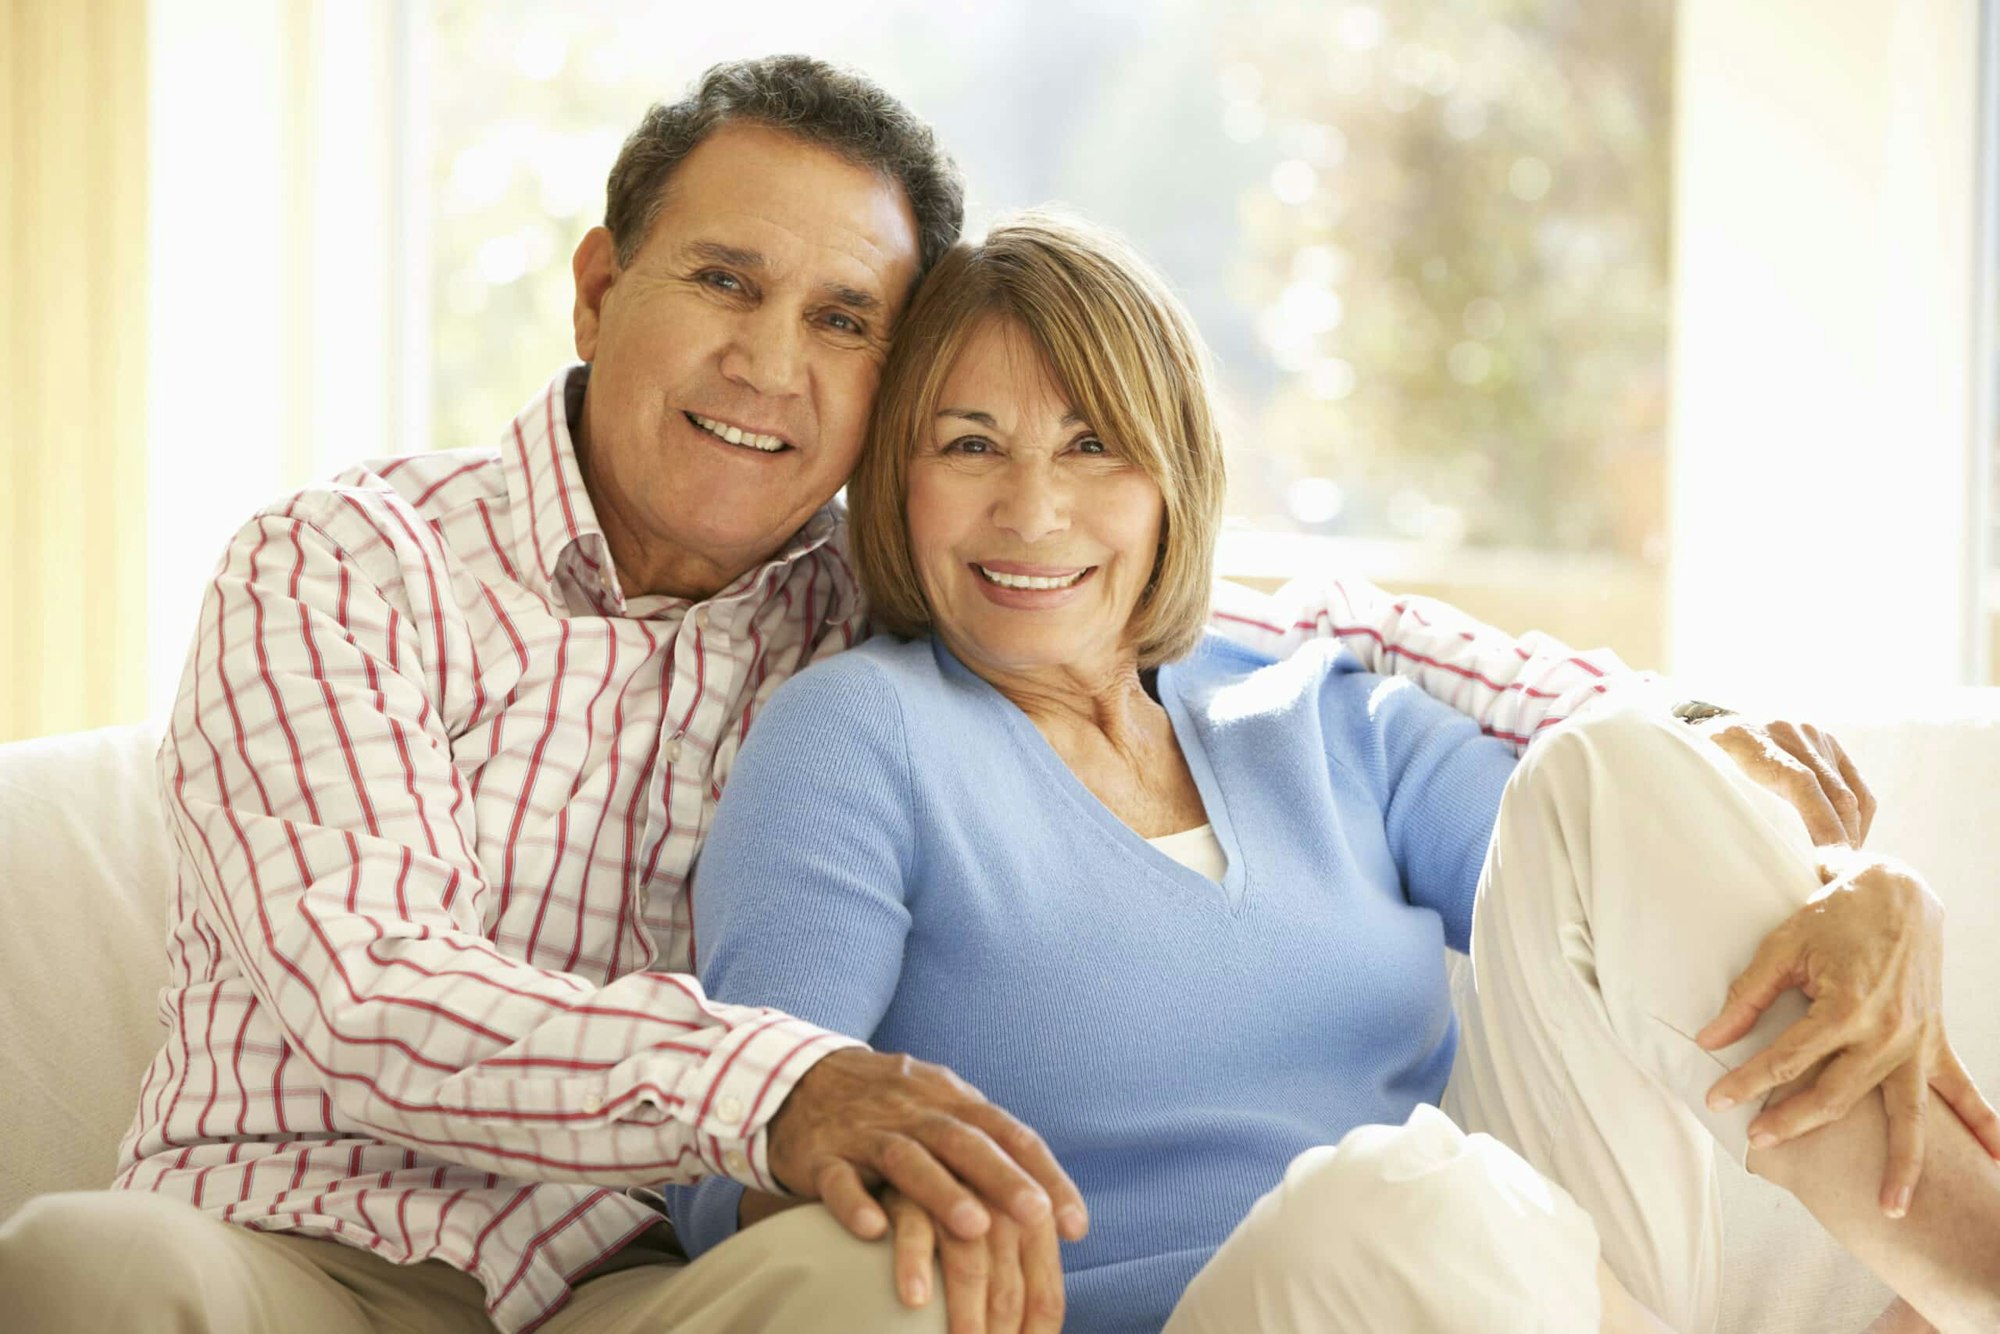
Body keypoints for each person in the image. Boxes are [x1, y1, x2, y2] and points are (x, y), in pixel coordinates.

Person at [0, 55, 1945, 1334]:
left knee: (910, 1280)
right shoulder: (356, 568)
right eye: (723, 282)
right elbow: (360, 989)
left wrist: (1727, 765)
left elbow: (1262, 621)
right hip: (307, 1251)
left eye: (841, 317)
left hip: (616, 1283)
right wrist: (775, 1082)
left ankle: (1944, 1265)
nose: (770, 359)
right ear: (597, 288)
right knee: (83, 1264)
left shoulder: (883, 587)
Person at [670, 211, 2000, 1333]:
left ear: (1173, 476)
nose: (1033, 508)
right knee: (1388, 1203)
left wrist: (1845, 873)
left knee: (1609, 770)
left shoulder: (1304, 702)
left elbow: (1632, 887)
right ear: (893, 485)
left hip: (1527, 1271)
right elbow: (735, 1148)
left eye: (1092, 445)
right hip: (1239, 1300)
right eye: (969, 444)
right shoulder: (857, 734)